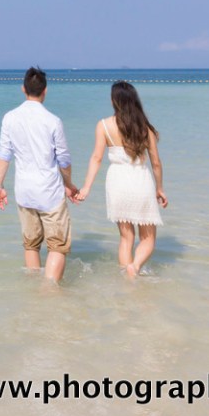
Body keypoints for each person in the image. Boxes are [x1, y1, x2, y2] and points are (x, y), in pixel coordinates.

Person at [76, 80, 168, 279]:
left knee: (126, 238)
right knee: (148, 238)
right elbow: (156, 163)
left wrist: (86, 187)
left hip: (117, 182)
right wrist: (159, 188)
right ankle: (134, 267)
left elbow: (96, 158)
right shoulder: (145, 128)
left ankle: (127, 278)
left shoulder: (103, 125)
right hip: (140, 180)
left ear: (113, 101)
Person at [0, 66, 79, 282]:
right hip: (49, 192)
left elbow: (4, 154)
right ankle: (49, 292)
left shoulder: (9, 118)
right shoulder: (53, 121)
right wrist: (68, 183)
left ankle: (34, 293)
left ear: (23, 89)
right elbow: (64, 160)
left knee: (31, 244)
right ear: (45, 91)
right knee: (57, 246)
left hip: (24, 192)